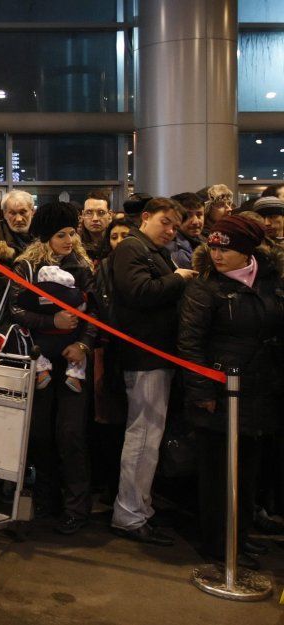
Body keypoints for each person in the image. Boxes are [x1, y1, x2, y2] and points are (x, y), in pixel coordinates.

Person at [178, 216, 284, 569]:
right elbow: (190, 344)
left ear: (247, 251)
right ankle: (218, 543)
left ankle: (242, 535)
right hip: (222, 391)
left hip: (260, 389)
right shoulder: (205, 288)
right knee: (217, 472)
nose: (218, 254)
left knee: (250, 468)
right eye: (214, 246)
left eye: (227, 248)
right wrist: (202, 392)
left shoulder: (270, 281)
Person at [109, 197, 196, 545]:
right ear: (146, 217)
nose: (171, 231)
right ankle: (130, 514)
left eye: (175, 226)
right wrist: (178, 278)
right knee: (143, 438)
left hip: (156, 356)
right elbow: (139, 292)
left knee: (148, 437)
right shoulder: (132, 247)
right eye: (166, 222)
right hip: (144, 357)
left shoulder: (148, 249)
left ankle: (138, 509)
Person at [9, 203, 97, 534]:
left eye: (73, 233)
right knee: (41, 433)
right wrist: (51, 320)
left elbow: (96, 311)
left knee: (71, 433)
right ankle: (47, 501)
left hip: (75, 360)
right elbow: (13, 311)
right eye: (62, 234)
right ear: (46, 238)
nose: (70, 240)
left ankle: (78, 508)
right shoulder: (25, 266)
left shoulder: (83, 265)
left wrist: (84, 345)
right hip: (38, 358)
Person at [0, 190, 35, 254]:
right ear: (5, 214)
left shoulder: (43, 234)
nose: (18, 219)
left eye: (23, 212)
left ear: (32, 212)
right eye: (12, 213)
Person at [168, 193, 205, 268]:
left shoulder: (205, 240)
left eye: (199, 215)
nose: (195, 221)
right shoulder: (175, 251)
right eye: (188, 215)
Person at [78, 189, 113, 263]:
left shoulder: (116, 243)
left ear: (110, 215)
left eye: (101, 212)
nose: (95, 219)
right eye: (89, 212)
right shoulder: (75, 245)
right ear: (83, 215)